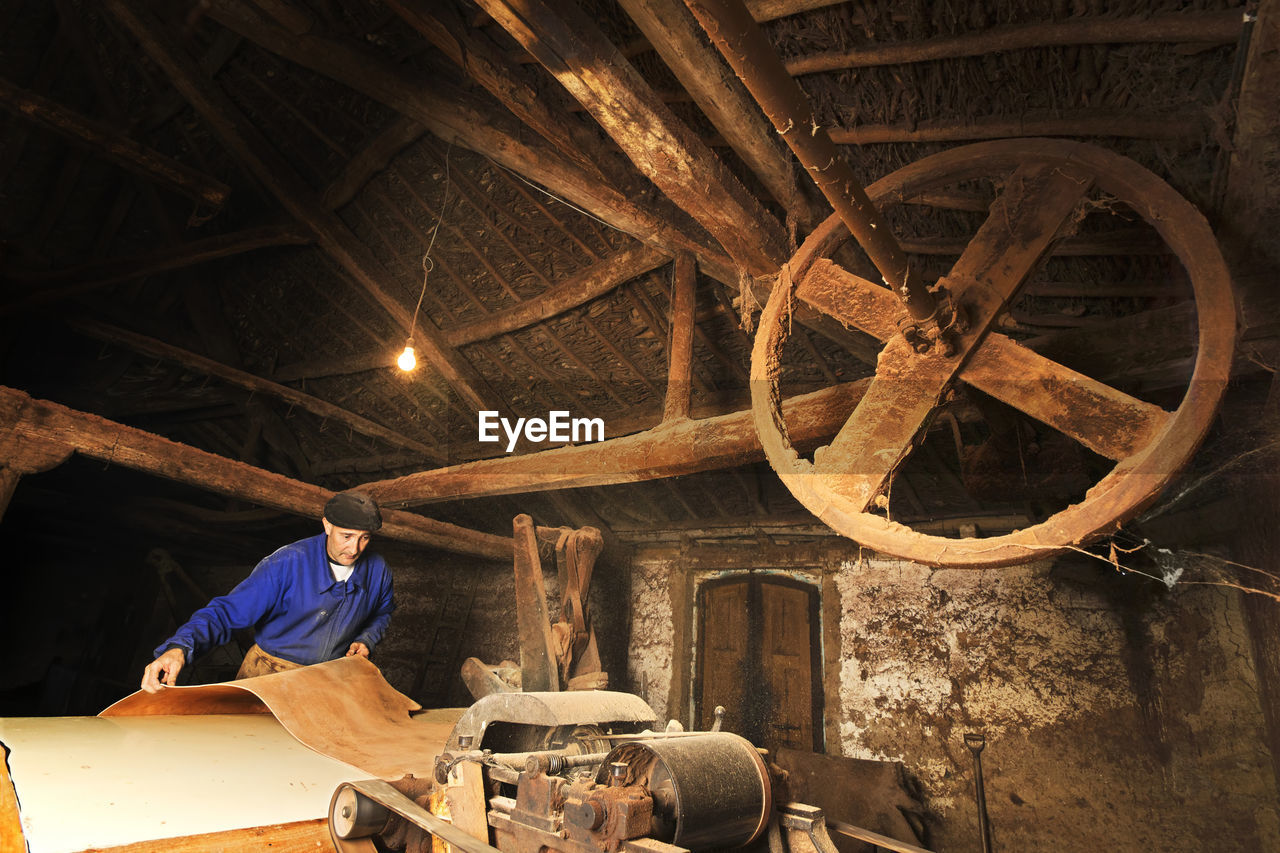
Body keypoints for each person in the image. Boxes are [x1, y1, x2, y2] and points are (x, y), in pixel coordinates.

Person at [140, 491, 395, 693]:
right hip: (268, 675)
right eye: (347, 536)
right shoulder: (286, 564)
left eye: (365, 538)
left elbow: (383, 612)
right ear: (327, 525)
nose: (354, 548)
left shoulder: (378, 570)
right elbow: (226, 613)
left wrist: (366, 639)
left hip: (327, 681)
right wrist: (179, 648)